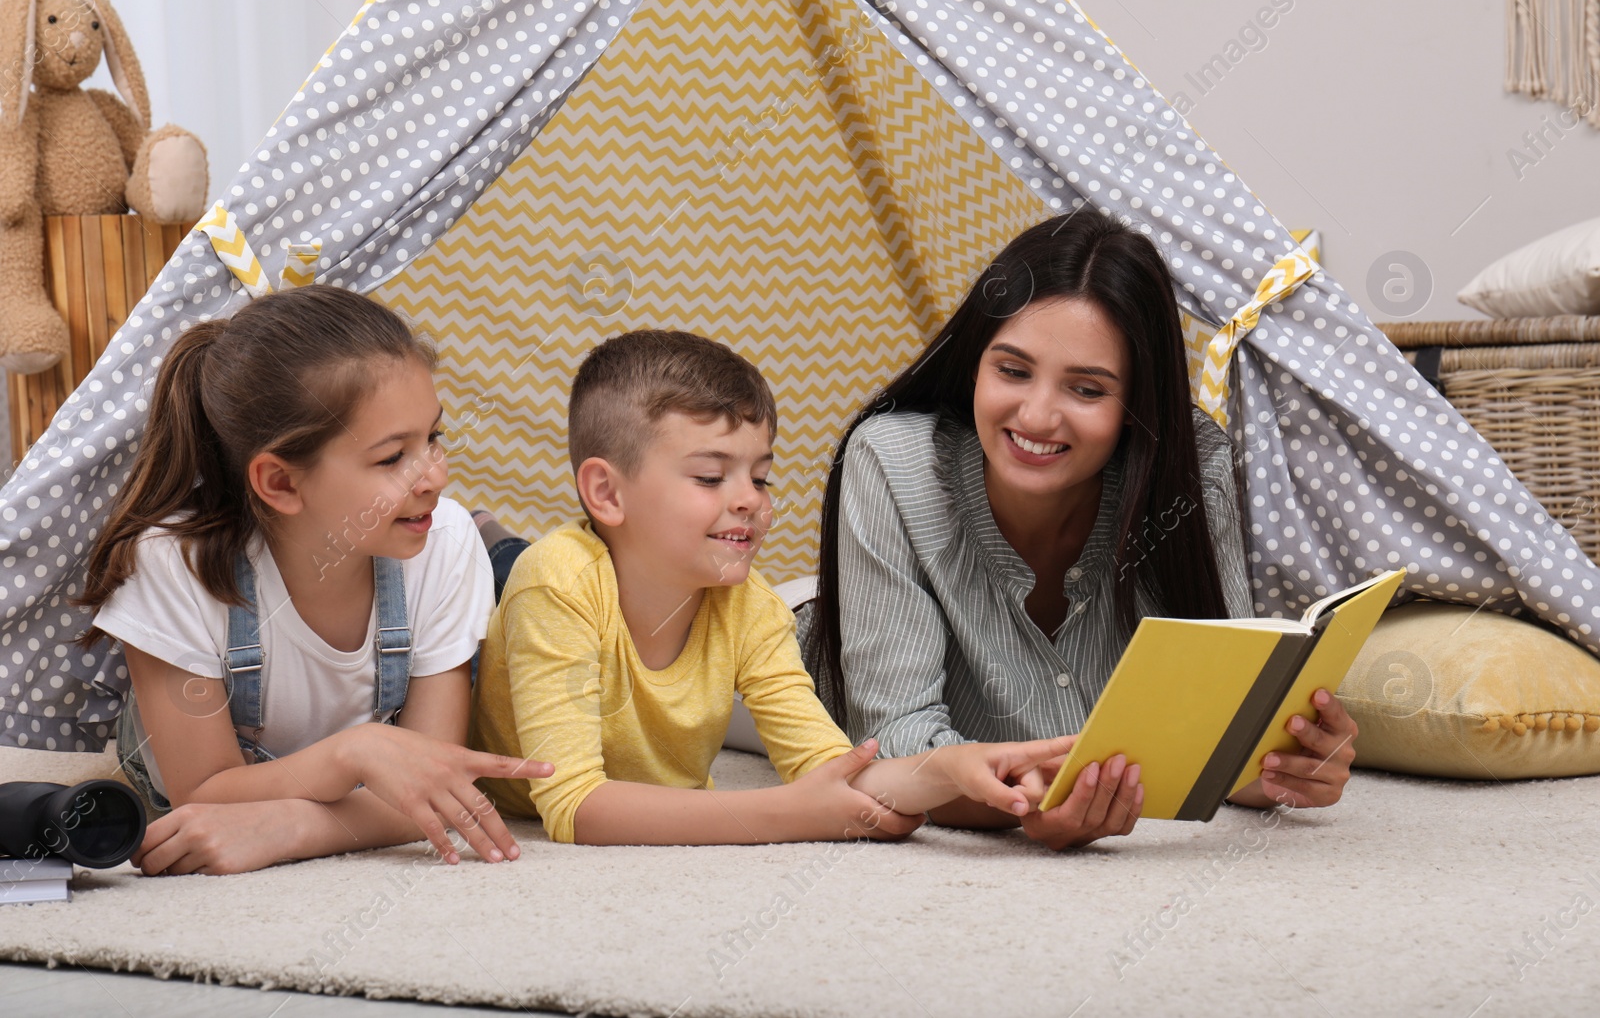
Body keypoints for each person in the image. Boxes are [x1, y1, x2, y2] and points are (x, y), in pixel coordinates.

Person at [801, 208, 1360, 849]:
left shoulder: (1193, 468)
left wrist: (1284, 769)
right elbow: (891, 746)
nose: (1037, 416)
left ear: (1137, 405)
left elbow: (1215, 727)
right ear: (975, 364)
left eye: (1087, 389)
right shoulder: (892, 461)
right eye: (1012, 371)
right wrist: (1025, 805)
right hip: (789, 652)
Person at [468, 330, 1082, 845]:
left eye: (760, 478)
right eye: (711, 476)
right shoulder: (557, 583)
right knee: (509, 563)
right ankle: (485, 532)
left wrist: (952, 767)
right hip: (540, 587)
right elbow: (573, 806)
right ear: (606, 492)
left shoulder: (751, 605)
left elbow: (828, 770)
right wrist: (782, 814)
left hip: (607, 570)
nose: (749, 502)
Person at [76, 286, 552, 876]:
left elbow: (439, 781)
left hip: (448, 573)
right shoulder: (170, 562)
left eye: (433, 437)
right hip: (217, 754)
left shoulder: (444, 540)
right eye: (390, 458)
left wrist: (297, 826)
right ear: (280, 482)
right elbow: (203, 791)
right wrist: (359, 750)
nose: (434, 474)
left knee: (529, 574)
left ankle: (500, 546)